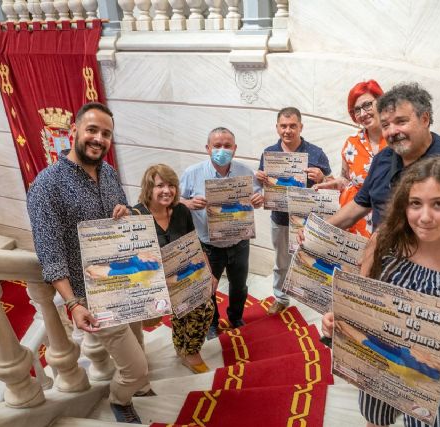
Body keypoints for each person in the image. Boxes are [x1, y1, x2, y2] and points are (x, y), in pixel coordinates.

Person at [322, 157, 440, 427]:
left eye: (439, 204)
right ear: (404, 205)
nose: (425, 217)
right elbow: (361, 301)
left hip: (424, 377)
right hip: (376, 361)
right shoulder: (384, 240)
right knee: (375, 419)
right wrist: (337, 319)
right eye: (415, 203)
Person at [27, 102, 148, 424]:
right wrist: (72, 303)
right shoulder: (46, 186)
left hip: (126, 281)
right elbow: (50, 252)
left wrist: (123, 212)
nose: (99, 138)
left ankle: (136, 383)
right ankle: (120, 399)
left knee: (138, 340)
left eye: (106, 134)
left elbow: (118, 215)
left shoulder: (108, 173)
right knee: (136, 369)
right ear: (74, 132)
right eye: (92, 130)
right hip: (94, 293)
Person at [325, 83, 440, 234]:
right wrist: (317, 229)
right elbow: (357, 207)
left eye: (401, 122)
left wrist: (382, 241)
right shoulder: (381, 160)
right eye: (385, 125)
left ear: (425, 119)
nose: (392, 131)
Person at [180, 127, 264, 339]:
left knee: (239, 286)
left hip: (239, 242)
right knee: (208, 288)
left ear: (235, 149)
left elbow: (259, 193)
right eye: (217, 146)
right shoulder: (192, 173)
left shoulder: (246, 171)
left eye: (227, 146)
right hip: (208, 245)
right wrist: (188, 203)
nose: (222, 150)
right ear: (208, 148)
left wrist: (259, 198)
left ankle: (236, 317)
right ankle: (212, 323)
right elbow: (175, 200)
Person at [132, 164, 217, 373]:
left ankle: (189, 350)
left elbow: (194, 243)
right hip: (153, 282)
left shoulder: (180, 210)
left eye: (171, 185)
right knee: (180, 310)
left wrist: (209, 273)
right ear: (149, 188)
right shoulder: (136, 216)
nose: (167, 190)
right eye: (160, 185)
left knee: (205, 308)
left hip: (184, 275)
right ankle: (182, 347)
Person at [256, 107, 332, 315]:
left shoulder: (316, 153)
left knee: (314, 261)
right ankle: (280, 297)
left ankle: (315, 298)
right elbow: (264, 186)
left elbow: (332, 185)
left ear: (300, 127)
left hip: (309, 220)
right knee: (282, 262)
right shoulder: (269, 154)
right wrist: (260, 184)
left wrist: (322, 179)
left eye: (292, 126)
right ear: (277, 127)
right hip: (280, 218)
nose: (287, 130)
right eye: (283, 126)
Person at [314, 80, 387, 238]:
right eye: (357, 110)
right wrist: (334, 183)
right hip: (355, 223)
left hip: (388, 223)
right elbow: (347, 180)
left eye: (367, 105)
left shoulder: (396, 139)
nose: (363, 114)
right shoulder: (351, 145)